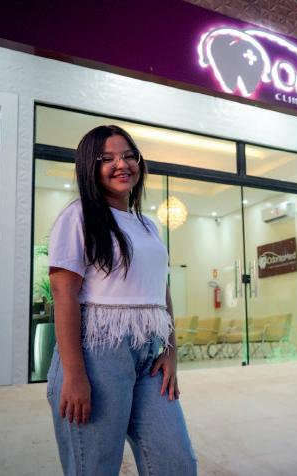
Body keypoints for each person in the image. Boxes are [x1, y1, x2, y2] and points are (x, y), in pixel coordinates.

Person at [46, 125, 197, 475]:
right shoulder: (78, 214)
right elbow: (64, 292)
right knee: (96, 466)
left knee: (176, 462)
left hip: (149, 355)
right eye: (107, 158)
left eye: (130, 156)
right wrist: (74, 375)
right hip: (98, 355)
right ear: (90, 166)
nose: (122, 164)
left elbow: (161, 290)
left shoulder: (148, 225)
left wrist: (171, 352)